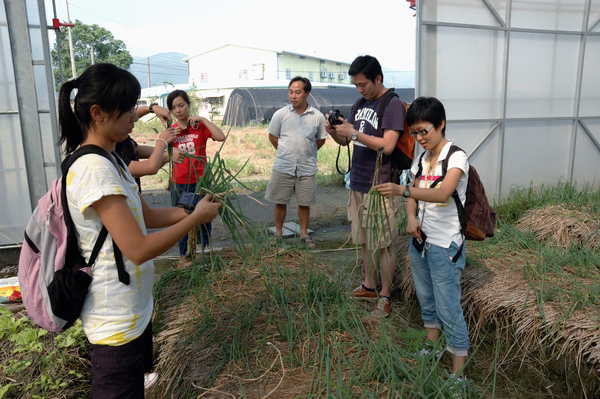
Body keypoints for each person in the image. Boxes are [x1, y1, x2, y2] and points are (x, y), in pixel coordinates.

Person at [57, 63, 222, 398]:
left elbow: (144, 216)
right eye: (129, 109)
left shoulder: (113, 159)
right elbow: (138, 248)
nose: (136, 117)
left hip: (134, 311)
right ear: (98, 113)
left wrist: (190, 210)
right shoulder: (93, 169)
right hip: (113, 324)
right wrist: (192, 221)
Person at [375, 97, 469, 388]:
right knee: (427, 300)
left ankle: (458, 375)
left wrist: (402, 192)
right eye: (413, 133)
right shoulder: (420, 159)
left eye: (423, 131)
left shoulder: (456, 157)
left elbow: (442, 195)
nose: (418, 138)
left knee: (449, 308)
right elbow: (414, 195)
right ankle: (431, 346)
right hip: (420, 241)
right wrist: (411, 218)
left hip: (445, 245)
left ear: (440, 124)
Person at [325, 55, 405, 318]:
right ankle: (369, 286)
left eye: (363, 84)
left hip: (381, 184)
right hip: (358, 180)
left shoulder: (391, 104)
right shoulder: (360, 103)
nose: (359, 89)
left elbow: (389, 145)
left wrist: (355, 133)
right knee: (362, 239)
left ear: (378, 79)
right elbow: (346, 142)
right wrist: (334, 131)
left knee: (383, 243)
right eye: (356, 85)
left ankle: (385, 295)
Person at [265, 76, 327, 249]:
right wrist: (286, 152)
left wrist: (307, 152)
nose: (293, 96)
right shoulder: (281, 114)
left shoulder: (317, 117)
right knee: (280, 201)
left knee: (304, 202)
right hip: (283, 166)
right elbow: (272, 136)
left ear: (307, 93)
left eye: (298, 92)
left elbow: (320, 139)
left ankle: (304, 233)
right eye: (291, 92)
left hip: (306, 168)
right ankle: (278, 233)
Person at [167, 89, 226, 256]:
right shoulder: (171, 131)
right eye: (174, 108)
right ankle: (184, 255)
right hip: (179, 184)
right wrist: (169, 138)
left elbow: (220, 137)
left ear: (188, 105)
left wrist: (203, 120)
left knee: (203, 219)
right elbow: (163, 155)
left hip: (200, 183)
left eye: (181, 105)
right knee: (182, 219)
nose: (178, 110)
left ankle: (203, 252)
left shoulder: (199, 127)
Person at [115, 105, 184, 190]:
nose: (136, 118)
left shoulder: (120, 136)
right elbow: (149, 167)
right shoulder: (107, 153)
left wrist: (151, 108)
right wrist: (163, 144)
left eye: (133, 110)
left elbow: (136, 149)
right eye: (130, 111)